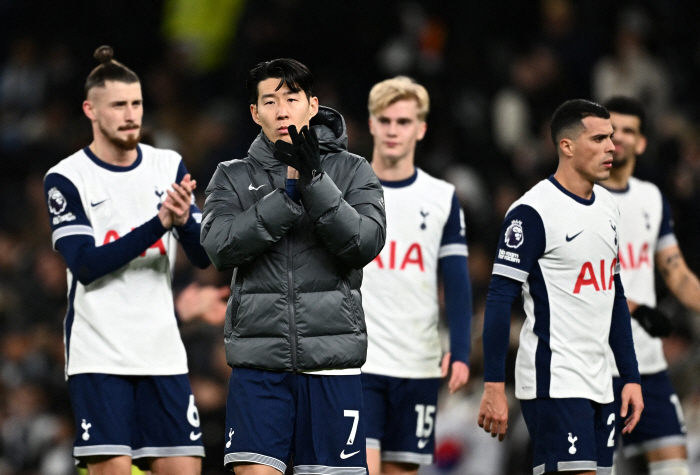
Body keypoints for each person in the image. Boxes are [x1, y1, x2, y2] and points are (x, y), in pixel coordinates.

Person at [200, 58, 386, 475]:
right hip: (259, 365)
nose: (282, 110)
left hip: (330, 365)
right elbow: (217, 247)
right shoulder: (231, 176)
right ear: (255, 113)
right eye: (269, 101)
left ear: (313, 105)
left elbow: (363, 243)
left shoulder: (354, 170)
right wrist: (284, 197)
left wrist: (313, 181)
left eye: (291, 98)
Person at [43, 46, 210, 475]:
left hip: (163, 354)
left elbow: (203, 256)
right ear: (91, 110)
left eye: (136, 103)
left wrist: (186, 223)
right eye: (118, 104)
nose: (131, 113)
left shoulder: (166, 164)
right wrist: (159, 223)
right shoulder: (67, 178)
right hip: (100, 356)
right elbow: (85, 264)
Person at [478, 99, 644, 475]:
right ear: (566, 146)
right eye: (599, 138)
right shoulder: (532, 212)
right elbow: (501, 297)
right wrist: (493, 385)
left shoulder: (607, 208)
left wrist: (629, 376)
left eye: (612, 138)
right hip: (554, 380)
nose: (611, 148)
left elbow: (613, 296)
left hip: (601, 383)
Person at [359, 76, 472, 475]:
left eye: (403, 122)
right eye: (385, 120)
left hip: (418, 363)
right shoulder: (346, 190)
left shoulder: (441, 197)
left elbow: (456, 281)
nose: (393, 130)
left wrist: (460, 350)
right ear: (371, 123)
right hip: (359, 363)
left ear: (421, 128)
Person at [601, 96, 697, 475]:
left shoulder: (651, 198)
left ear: (642, 142)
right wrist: (638, 309)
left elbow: (677, 273)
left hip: (647, 366)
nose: (620, 138)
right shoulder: (582, 197)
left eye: (629, 130)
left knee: (675, 466)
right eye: (612, 130)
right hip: (594, 364)